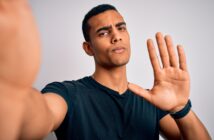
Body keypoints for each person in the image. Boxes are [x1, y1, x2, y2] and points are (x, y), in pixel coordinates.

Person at [0, 1, 211, 140]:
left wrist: (181, 108)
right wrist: (12, 89)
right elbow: (35, 119)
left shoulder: (152, 100)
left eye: (121, 28)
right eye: (103, 32)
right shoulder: (67, 94)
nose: (116, 36)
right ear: (88, 48)